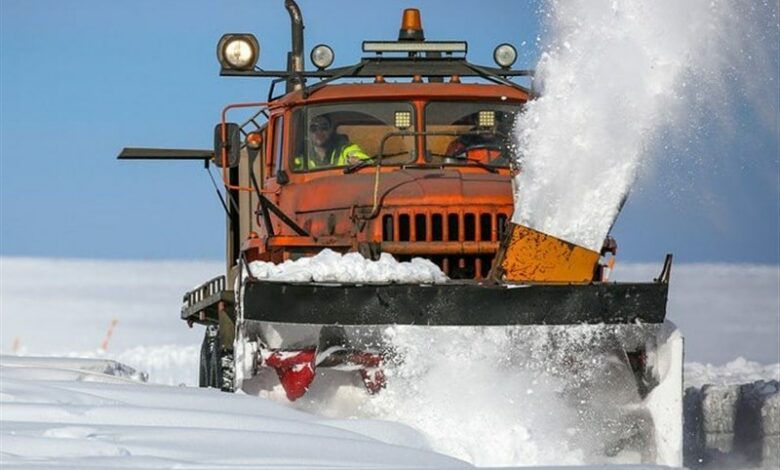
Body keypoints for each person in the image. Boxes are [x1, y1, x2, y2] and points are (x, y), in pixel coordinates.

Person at [295, 115, 369, 169]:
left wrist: (358, 162)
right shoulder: (301, 157)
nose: (319, 132)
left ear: (330, 130)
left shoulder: (345, 149)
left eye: (324, 127)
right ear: (308, 133)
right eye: (313, 128)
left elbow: (368, 163)